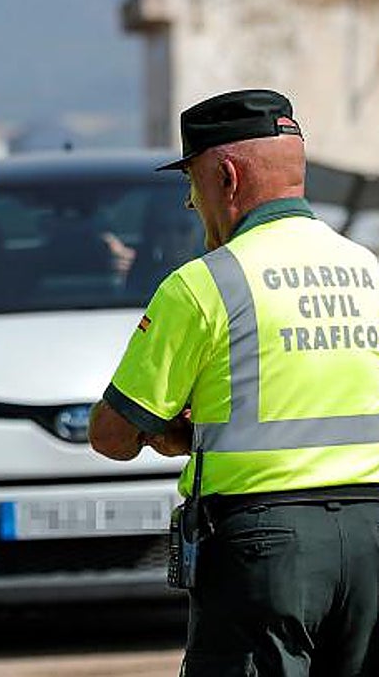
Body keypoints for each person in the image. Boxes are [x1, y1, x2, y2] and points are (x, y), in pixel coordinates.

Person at [87, 89, 379, 676]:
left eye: (191, 182)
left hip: (265, 548)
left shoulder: (204, 285)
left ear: (226, 175)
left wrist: (174, 434)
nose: (192, 204)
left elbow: (113, 436)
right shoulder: (370, 271)